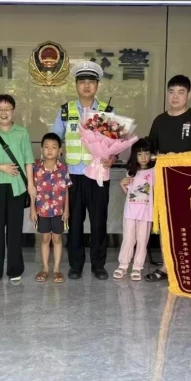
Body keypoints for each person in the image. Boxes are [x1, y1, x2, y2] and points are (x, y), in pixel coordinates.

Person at [140, 74, 191, 282]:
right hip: (165, 180)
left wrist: (181, 158)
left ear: (188, 95)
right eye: (171, 92)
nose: (175, 96)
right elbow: (151, 150)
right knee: (167, 224)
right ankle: (166, 268)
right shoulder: (160, 120)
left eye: (181, 92)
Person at [51, 61, 115, 281]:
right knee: (74, 222)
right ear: (76, 85)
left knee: (98, 221)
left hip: (98, 175)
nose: (86, 86)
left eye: (91, 82)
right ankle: (76, 265)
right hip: (74, 176)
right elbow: (54, 140)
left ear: (97, 85)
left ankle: (98, 265)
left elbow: (115, 142)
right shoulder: (65, 111)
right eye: (82, 82)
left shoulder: (107, 111)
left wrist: (112, 157)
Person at [0, 94, 36, 283]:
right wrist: (2, 167)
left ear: (13, 111)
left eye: (7, 109)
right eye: (0, 109)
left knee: (14, 230)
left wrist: (30, 185)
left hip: (17, 187)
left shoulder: (22, 133)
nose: (3, 113)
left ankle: (15, 268)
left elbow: (28, 160)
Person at [30, 133, 72, 284]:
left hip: (58, 211)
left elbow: (66, 190)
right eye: (46, 147)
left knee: (57, 238)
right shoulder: (36, 168)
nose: (50, 150)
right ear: (41, 149)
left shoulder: (63, 169)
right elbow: (32, 191)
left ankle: (57, 270)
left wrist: (66, 209)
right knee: (45, 238)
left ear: (60, 150)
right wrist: (32, 209)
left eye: (54, 147)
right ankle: (45, 268)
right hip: (42, 211)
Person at [114, 138, 156, 282]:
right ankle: (123, 265)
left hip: (146, 213)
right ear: (134, 155)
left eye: (146, 153)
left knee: (142, 240)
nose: (143, 157)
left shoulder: (154, 171)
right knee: (128, 239)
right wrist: (122, 184)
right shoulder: (131, 172)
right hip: (130, 212)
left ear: (151, 155)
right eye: (139, 154)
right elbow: (130, 194)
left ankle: (137, 267)